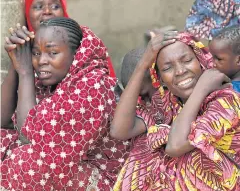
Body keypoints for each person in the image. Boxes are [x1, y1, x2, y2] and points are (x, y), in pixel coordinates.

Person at [1, 17, 130, 190]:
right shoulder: (52, 81)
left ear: (77, 54)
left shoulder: (92, 86)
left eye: (52, 53)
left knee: (28, 161)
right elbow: (4, 122)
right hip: (68, 169)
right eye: (36, 53)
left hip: (107, 179)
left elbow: (29, 138)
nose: (41, 61)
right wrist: (16, 64)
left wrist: (25, 73)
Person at [111, 32, 240, 190]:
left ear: (200, 61)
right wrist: (143, 64)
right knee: (144, 144)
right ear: (160, 79)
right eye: (167, 68)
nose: (180, 71)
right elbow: (120, 130)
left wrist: (201, 89)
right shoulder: (168, 102)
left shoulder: (226, 100)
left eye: (187, 60)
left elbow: (175, 146)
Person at [1, 0, 116, 129]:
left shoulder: (83, 50)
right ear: (27, 14)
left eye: (55, 6)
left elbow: (31, 136)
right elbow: (2, 120)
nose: (47, 11)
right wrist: (17, 58)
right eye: (38, 7)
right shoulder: (26, 52)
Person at [208, 25, 240, 92]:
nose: (213, 64)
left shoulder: (230, 91)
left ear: (238, 60)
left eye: (219, 59)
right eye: (212, 57)